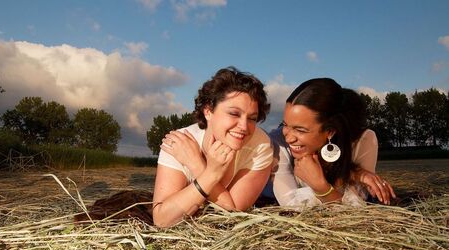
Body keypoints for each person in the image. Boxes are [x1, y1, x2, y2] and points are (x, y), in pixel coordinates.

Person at [153, 67, 274, 227]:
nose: (244, 127)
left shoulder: (260, 146)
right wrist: (210, 174)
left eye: (252, 118)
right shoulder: (179, 143)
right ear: (208, 111)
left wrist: (198, 166)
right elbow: (162, 220)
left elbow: (234, 212)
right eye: (234, 114)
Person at [262, 78, 395, 210]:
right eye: (285, 125)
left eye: (300, 130)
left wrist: (323, 186)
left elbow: (355, 209)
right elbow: (292, 205)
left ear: (330, 131)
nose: (289, 137)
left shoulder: (364, 140)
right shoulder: (278, 142)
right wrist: (323, 188)